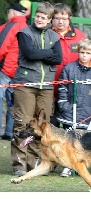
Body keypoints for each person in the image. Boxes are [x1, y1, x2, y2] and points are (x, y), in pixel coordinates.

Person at [11, 1, 62, 177]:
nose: (40, 19)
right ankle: (19, 163)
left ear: (49, 20)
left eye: (44, 17)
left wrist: (41, 53)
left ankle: (35, 164)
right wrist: (48, 52)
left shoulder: (54, 36)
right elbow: (29, 54)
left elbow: (58, 59)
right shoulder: (25, 33)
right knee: (23, 123)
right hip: (26, 84)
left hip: (46, 86)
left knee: (41, 126)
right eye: (38, 16)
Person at [56, 38, 91, 176]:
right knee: (69, 141)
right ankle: (67, 165)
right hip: (70, 112)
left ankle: (79, 166)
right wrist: (64, 105)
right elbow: (62, 88)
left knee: (82, 142)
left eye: (87, 53)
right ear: (78, 52)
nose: (84, 55)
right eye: (82, 52)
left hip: (87, 113)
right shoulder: (69, 69)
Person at [50, 2, 86, 177]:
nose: (61, 22)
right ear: (52, 19)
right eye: (57, 18)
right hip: (49, 89)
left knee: (71, 130)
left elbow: (87, 58)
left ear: (69, 19)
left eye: (64, 18)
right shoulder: (47, 35)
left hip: (73, 92)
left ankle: (70, 161)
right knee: (51, 128)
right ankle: (50, 162)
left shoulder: (79, 36)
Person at [0, 3, 28, 141]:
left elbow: (2, 47)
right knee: (13, 103)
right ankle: (10, 132)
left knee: (0, 100)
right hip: (20, 72)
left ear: (12, 12)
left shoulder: (10, 26)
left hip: (5, 70)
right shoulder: (28, 27)